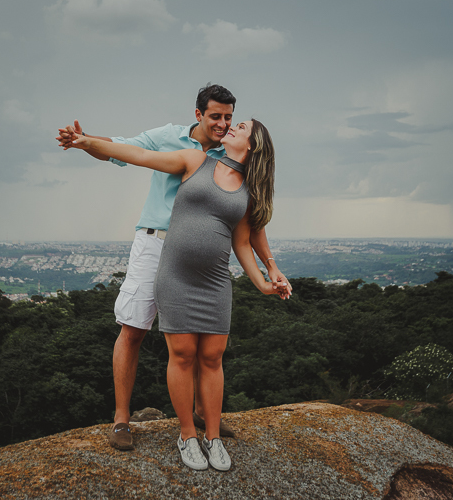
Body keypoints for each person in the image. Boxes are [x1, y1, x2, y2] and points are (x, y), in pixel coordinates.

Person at [57, 84, 290, 453]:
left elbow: (250, 227)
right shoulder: (171, 141)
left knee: (202, 344)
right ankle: (121, 418)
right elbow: (125, 149)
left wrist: (270, 269)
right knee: (134, 328)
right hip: (157, 243)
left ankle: (202, 413)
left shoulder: (234, 159)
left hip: (202, 258)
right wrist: (84, 140)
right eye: (216, 116)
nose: (224, 124)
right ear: (198, 115)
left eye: (230, 118)